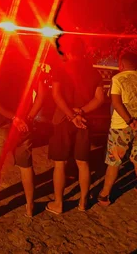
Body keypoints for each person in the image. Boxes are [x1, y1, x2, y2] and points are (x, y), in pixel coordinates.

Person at [0, 45, 47, 223]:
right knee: (26, 167)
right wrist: (27, 117)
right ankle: (30, 207)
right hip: (23, 127)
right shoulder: (30, 67)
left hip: (2, 125)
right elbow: (42, 95)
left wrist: (13, 117)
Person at [45, 37, 105, 214]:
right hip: (83, 122)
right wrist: (81, 112)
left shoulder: (61, 69)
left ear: (68, 52)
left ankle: (58, 203)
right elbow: (100, 99)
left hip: (63, 120)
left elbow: (56, 95)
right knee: (83, 163)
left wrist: (71, 115)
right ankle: (83, 202)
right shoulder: (94, 73)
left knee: (60, 164)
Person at [97, 52, 137, 206]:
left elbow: (116, 103)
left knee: (114, 160)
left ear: (121, 65)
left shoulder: (117, 79)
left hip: (120, 126)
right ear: (136, 65)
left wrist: (129, 121)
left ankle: (104, 195)